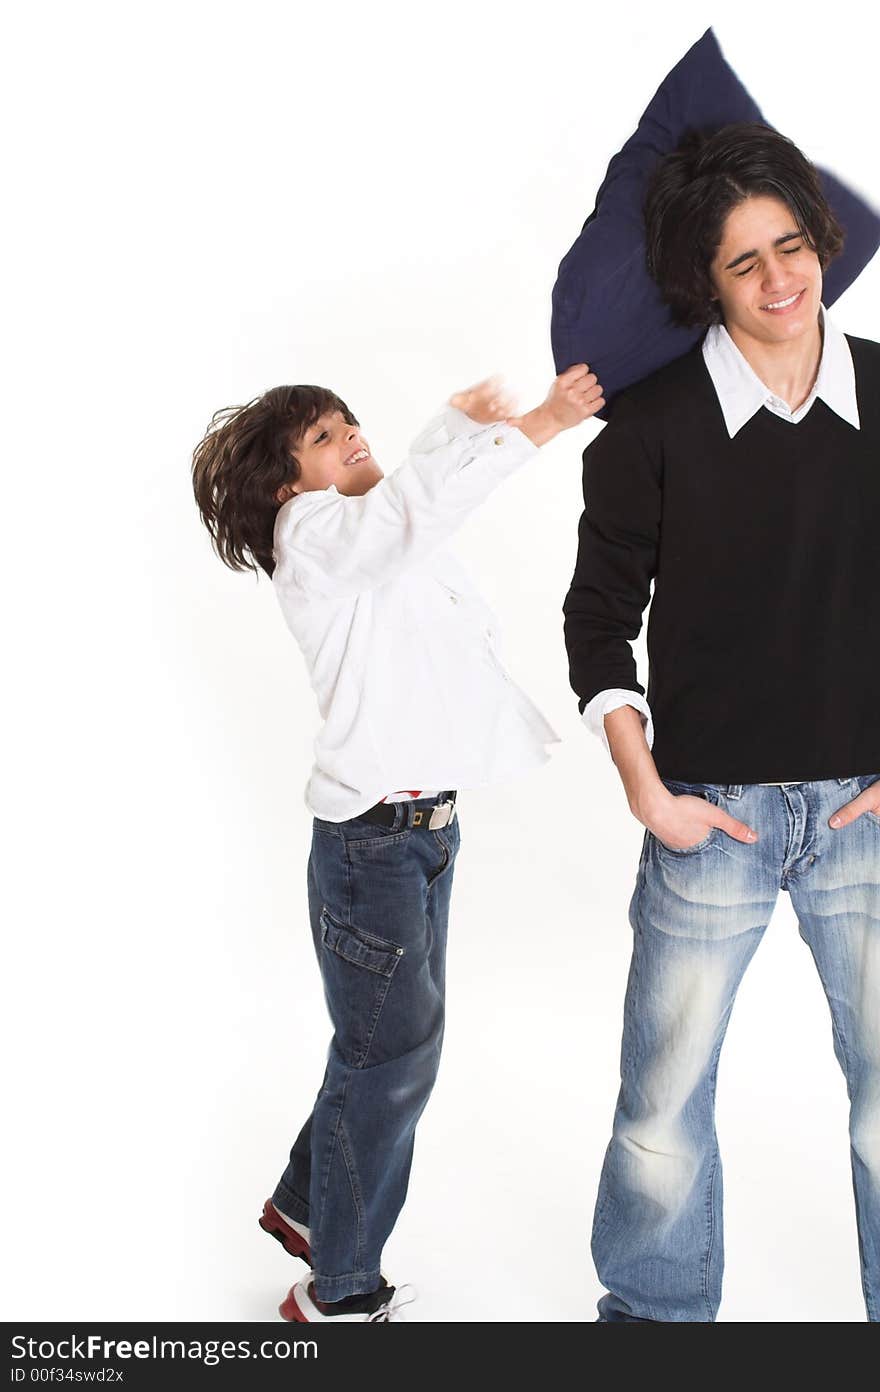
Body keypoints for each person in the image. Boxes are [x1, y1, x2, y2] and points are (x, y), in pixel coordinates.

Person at [192, 364, 604, 1321]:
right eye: (328, 437)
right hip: (373, 844)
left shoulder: (356, 538)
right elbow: (406, 515)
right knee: (393, 1055)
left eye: (352, 423)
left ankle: (307, 1207)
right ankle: (336, 1291)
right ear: (289, 484)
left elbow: (405, 505)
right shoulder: (312, 536)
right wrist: (539, 423)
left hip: (421, 835)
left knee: (384, 1047)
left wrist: (448, 426)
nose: (353, 439)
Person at [563, 121, 880, 1322]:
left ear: (820, 244)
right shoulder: (648, 424)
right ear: (702, 279)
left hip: (865, 810)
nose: (777, 279)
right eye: (742, 262)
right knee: (661, 1106)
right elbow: (599, 620)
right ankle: (654, 1324)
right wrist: (649, 792)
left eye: (788, 245)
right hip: (713, 818)